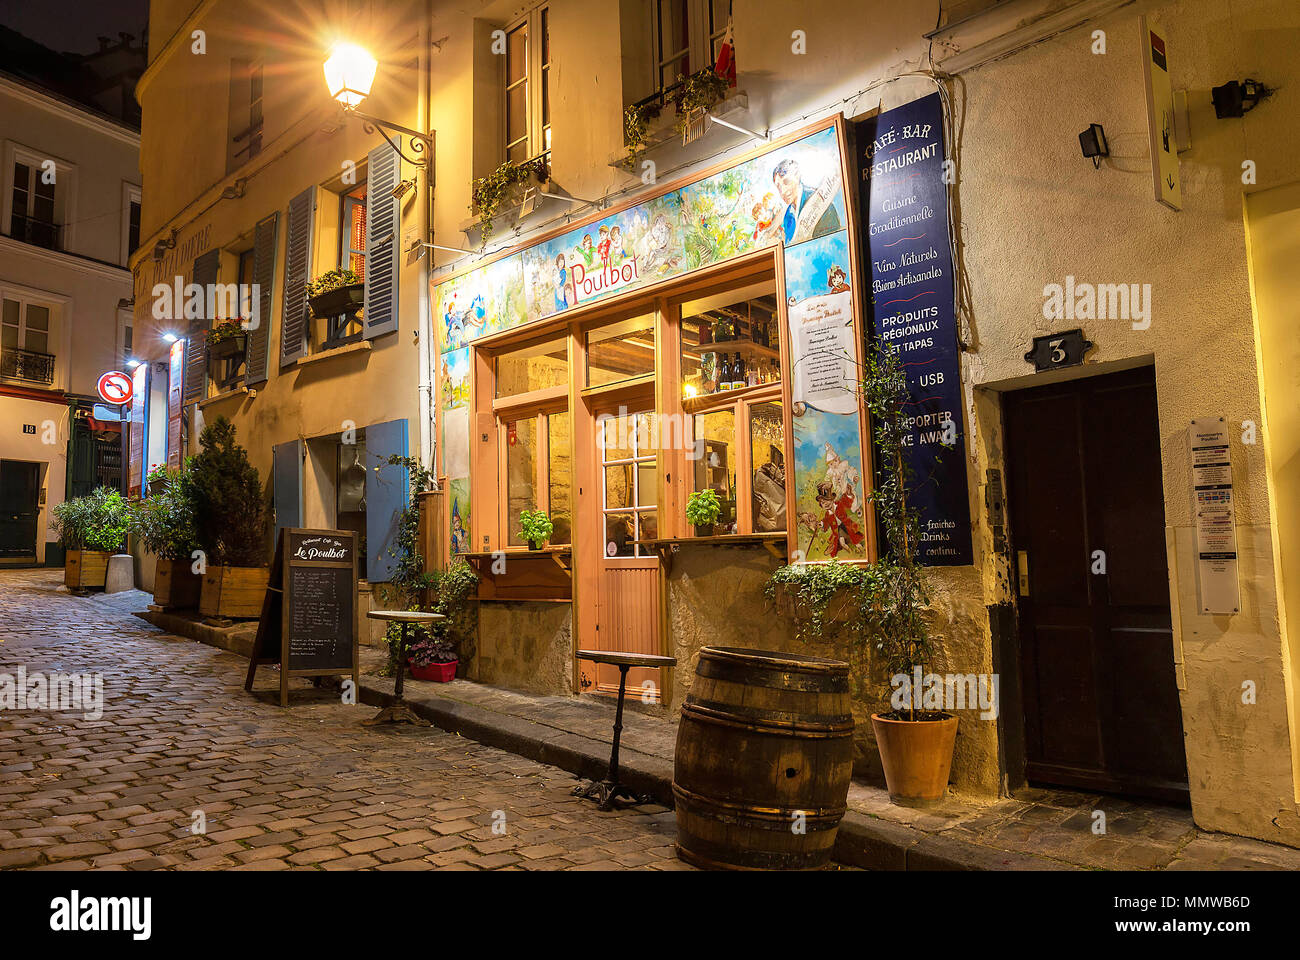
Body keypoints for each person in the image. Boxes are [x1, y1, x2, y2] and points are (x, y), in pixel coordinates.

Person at [772, 158, 840, 243]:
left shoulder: (820, 201)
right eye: (779, 187)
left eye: (786, 182)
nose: (783, 191)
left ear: (797, 176)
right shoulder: (787, 215)